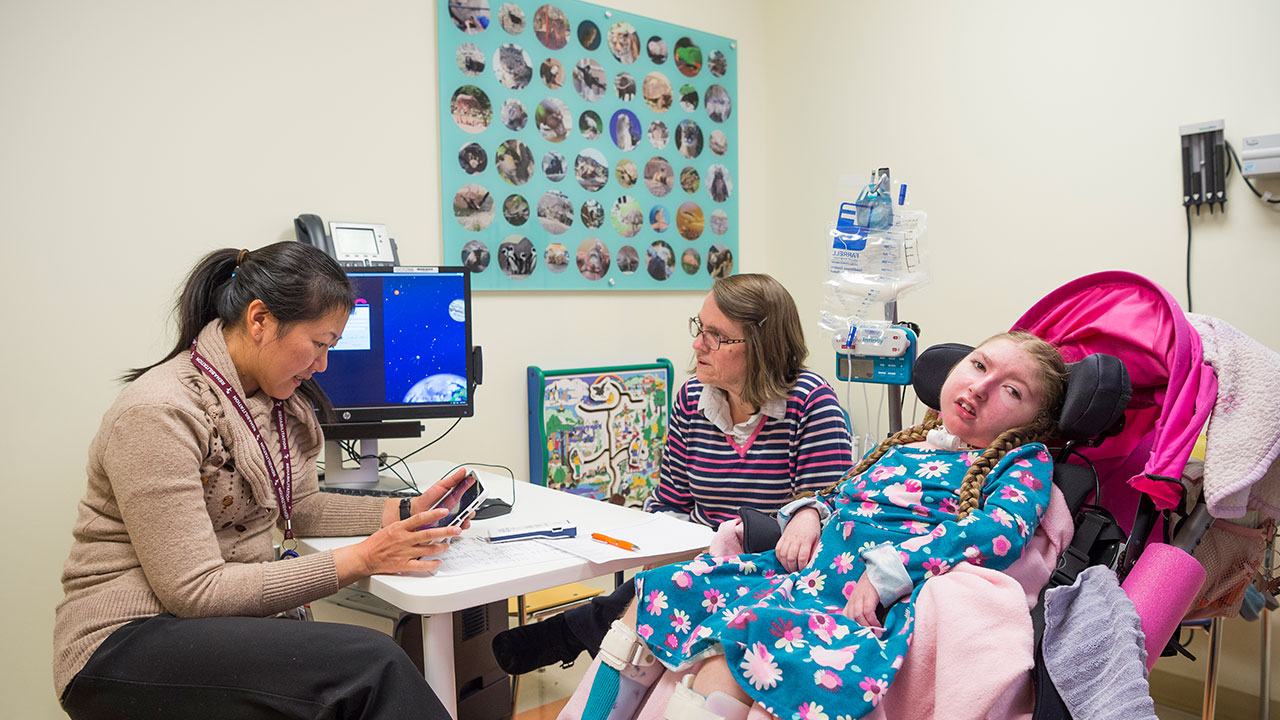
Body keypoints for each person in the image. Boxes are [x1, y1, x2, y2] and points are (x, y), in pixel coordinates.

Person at [54, 242, 468, 719]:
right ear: (259, 321)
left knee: (358, 668)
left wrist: (406, 512)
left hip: (203, 627)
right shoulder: (159, 413)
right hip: (122, 640)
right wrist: (366, 558)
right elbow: (196, 591)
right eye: (319, 344)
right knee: (373, 663)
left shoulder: (273, 403)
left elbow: (300, 508)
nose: (323, 365)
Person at [576, 331, 1069, 720]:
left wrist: (891, 569)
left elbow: (999, 531)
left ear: (1034, 422)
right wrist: (811, 512)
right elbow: (841, 496)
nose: (979, 387)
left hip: (853, 604)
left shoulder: (1025, 460)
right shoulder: (906, 445)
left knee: (735, 661)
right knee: (661, 589)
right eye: (979, 365)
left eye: (1011, 389)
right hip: (805, 576)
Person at [492, 273, 853, 674]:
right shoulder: (690, 400)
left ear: (762, 346)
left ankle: (573, 630)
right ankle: (580, 632)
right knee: (651, 604)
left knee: (650, 608)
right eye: (700, 328)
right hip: (697, 559)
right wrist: (658, 545)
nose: (698, 343)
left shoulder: (811, 402)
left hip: (769, 571)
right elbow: (670, 503)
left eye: (715, 335)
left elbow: (826, 511)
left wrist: (802, 517)